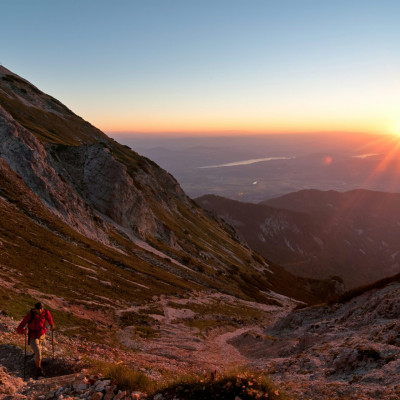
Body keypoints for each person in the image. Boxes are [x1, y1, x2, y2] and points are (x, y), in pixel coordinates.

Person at [17, 302, 54, 377]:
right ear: (35, 309)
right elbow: (19, 327)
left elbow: (49, 318)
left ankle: (39, 361)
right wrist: (23, 331)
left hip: (42, 334)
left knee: (39, 349)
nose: (40, 311)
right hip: (33, 336)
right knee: (38, 352)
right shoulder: (30, 315)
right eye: (38, 309)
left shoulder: (46, 312)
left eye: (41, 309)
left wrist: (51, 325)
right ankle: (39, 369)